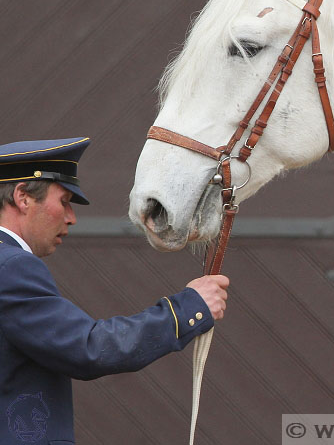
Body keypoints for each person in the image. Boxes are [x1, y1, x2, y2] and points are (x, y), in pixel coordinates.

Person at [0, 137, 229, 445]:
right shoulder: (11, 266)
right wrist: (189, 309)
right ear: (23, 197)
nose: (71, 218)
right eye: (64, 201)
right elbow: (89, 348)